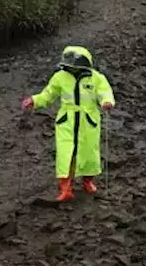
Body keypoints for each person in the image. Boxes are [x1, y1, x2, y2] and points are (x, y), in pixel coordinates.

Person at [20, 46, 116, 203]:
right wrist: (34, 100)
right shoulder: (60, 77)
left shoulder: (96, 78)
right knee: (65, 154)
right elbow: (49, 94)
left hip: (88, 121)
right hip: (67, 121)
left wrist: (107, 102)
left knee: (89, 153)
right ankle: (65, 189)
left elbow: (105, 92)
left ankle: (87, 182)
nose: (71, 68)